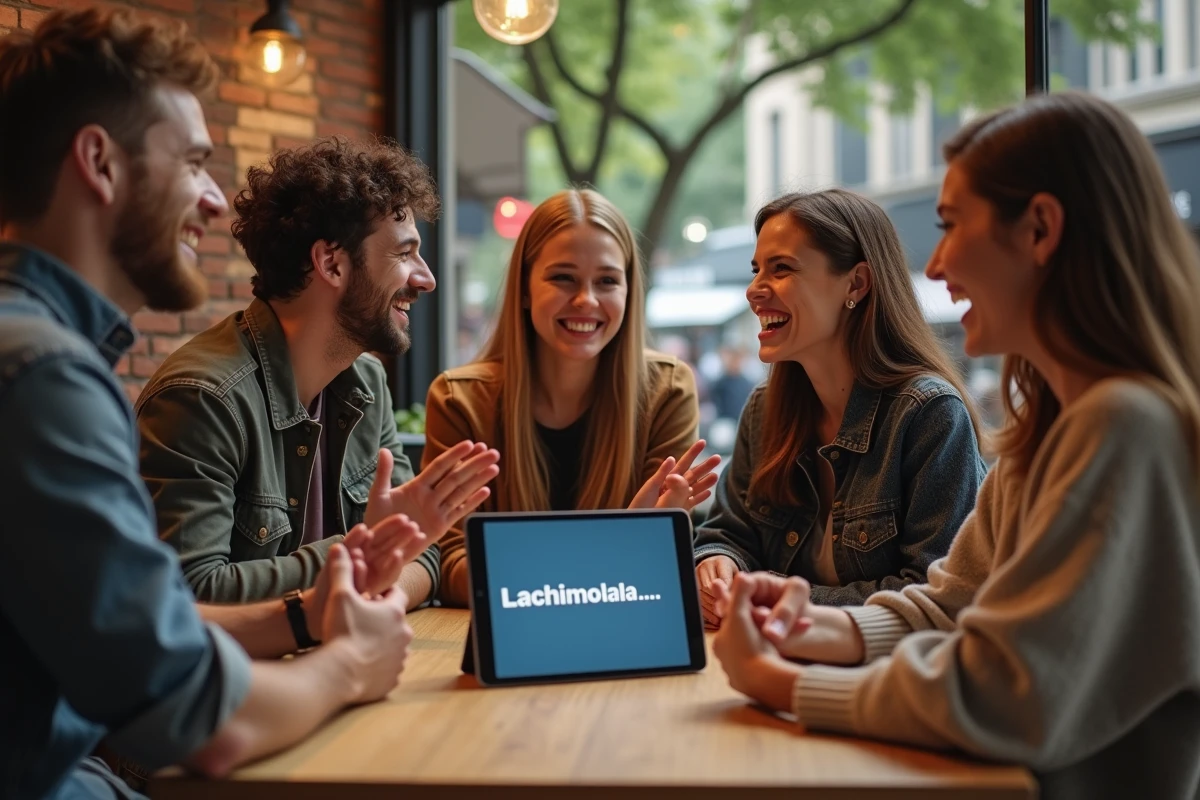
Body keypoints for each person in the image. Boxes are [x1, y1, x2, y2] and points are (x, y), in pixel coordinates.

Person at [711, 91, 1200, 798]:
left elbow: (1004, 691)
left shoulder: (1121, 424)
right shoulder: (1055, 428)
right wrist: (806, 625)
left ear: (1039, 229)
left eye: (950, 224)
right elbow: (949, 606)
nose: (934, 266)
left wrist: (782, 682)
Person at [0, 9, 423, 799]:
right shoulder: (44, 376)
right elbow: (193, 718)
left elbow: (143, 631)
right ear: (99, 162)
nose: (214, 200)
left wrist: (305, 616)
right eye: (193, 161)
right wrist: (347, 667)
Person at [135, 136, 500, 610]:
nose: (426, 277)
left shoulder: (367, 384)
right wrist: (362, 557)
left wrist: (379, 584)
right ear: (331, 263)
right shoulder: (201, 399)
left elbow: (424, 551)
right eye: (404, 254)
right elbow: (190, 597)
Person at [693, 189, 986, 626]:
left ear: (857, 284)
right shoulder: (764, 408)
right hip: (765, 662)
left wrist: (778, 596)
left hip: (880, 681)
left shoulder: (928, 414)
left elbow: (932, 595)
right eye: (756, 270)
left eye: (782, 268)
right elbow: (728, 534)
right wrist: (717, 564)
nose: (754, 290)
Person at [423, 188, 720, 606]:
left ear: (629, 291)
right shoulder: (460, 399)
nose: (586, 300)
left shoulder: (667, 391)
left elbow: (656, 565)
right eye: (563, 278)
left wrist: (528, 570)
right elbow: (450, 564)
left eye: (607, 281)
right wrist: (621, 545)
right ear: (525, 289)